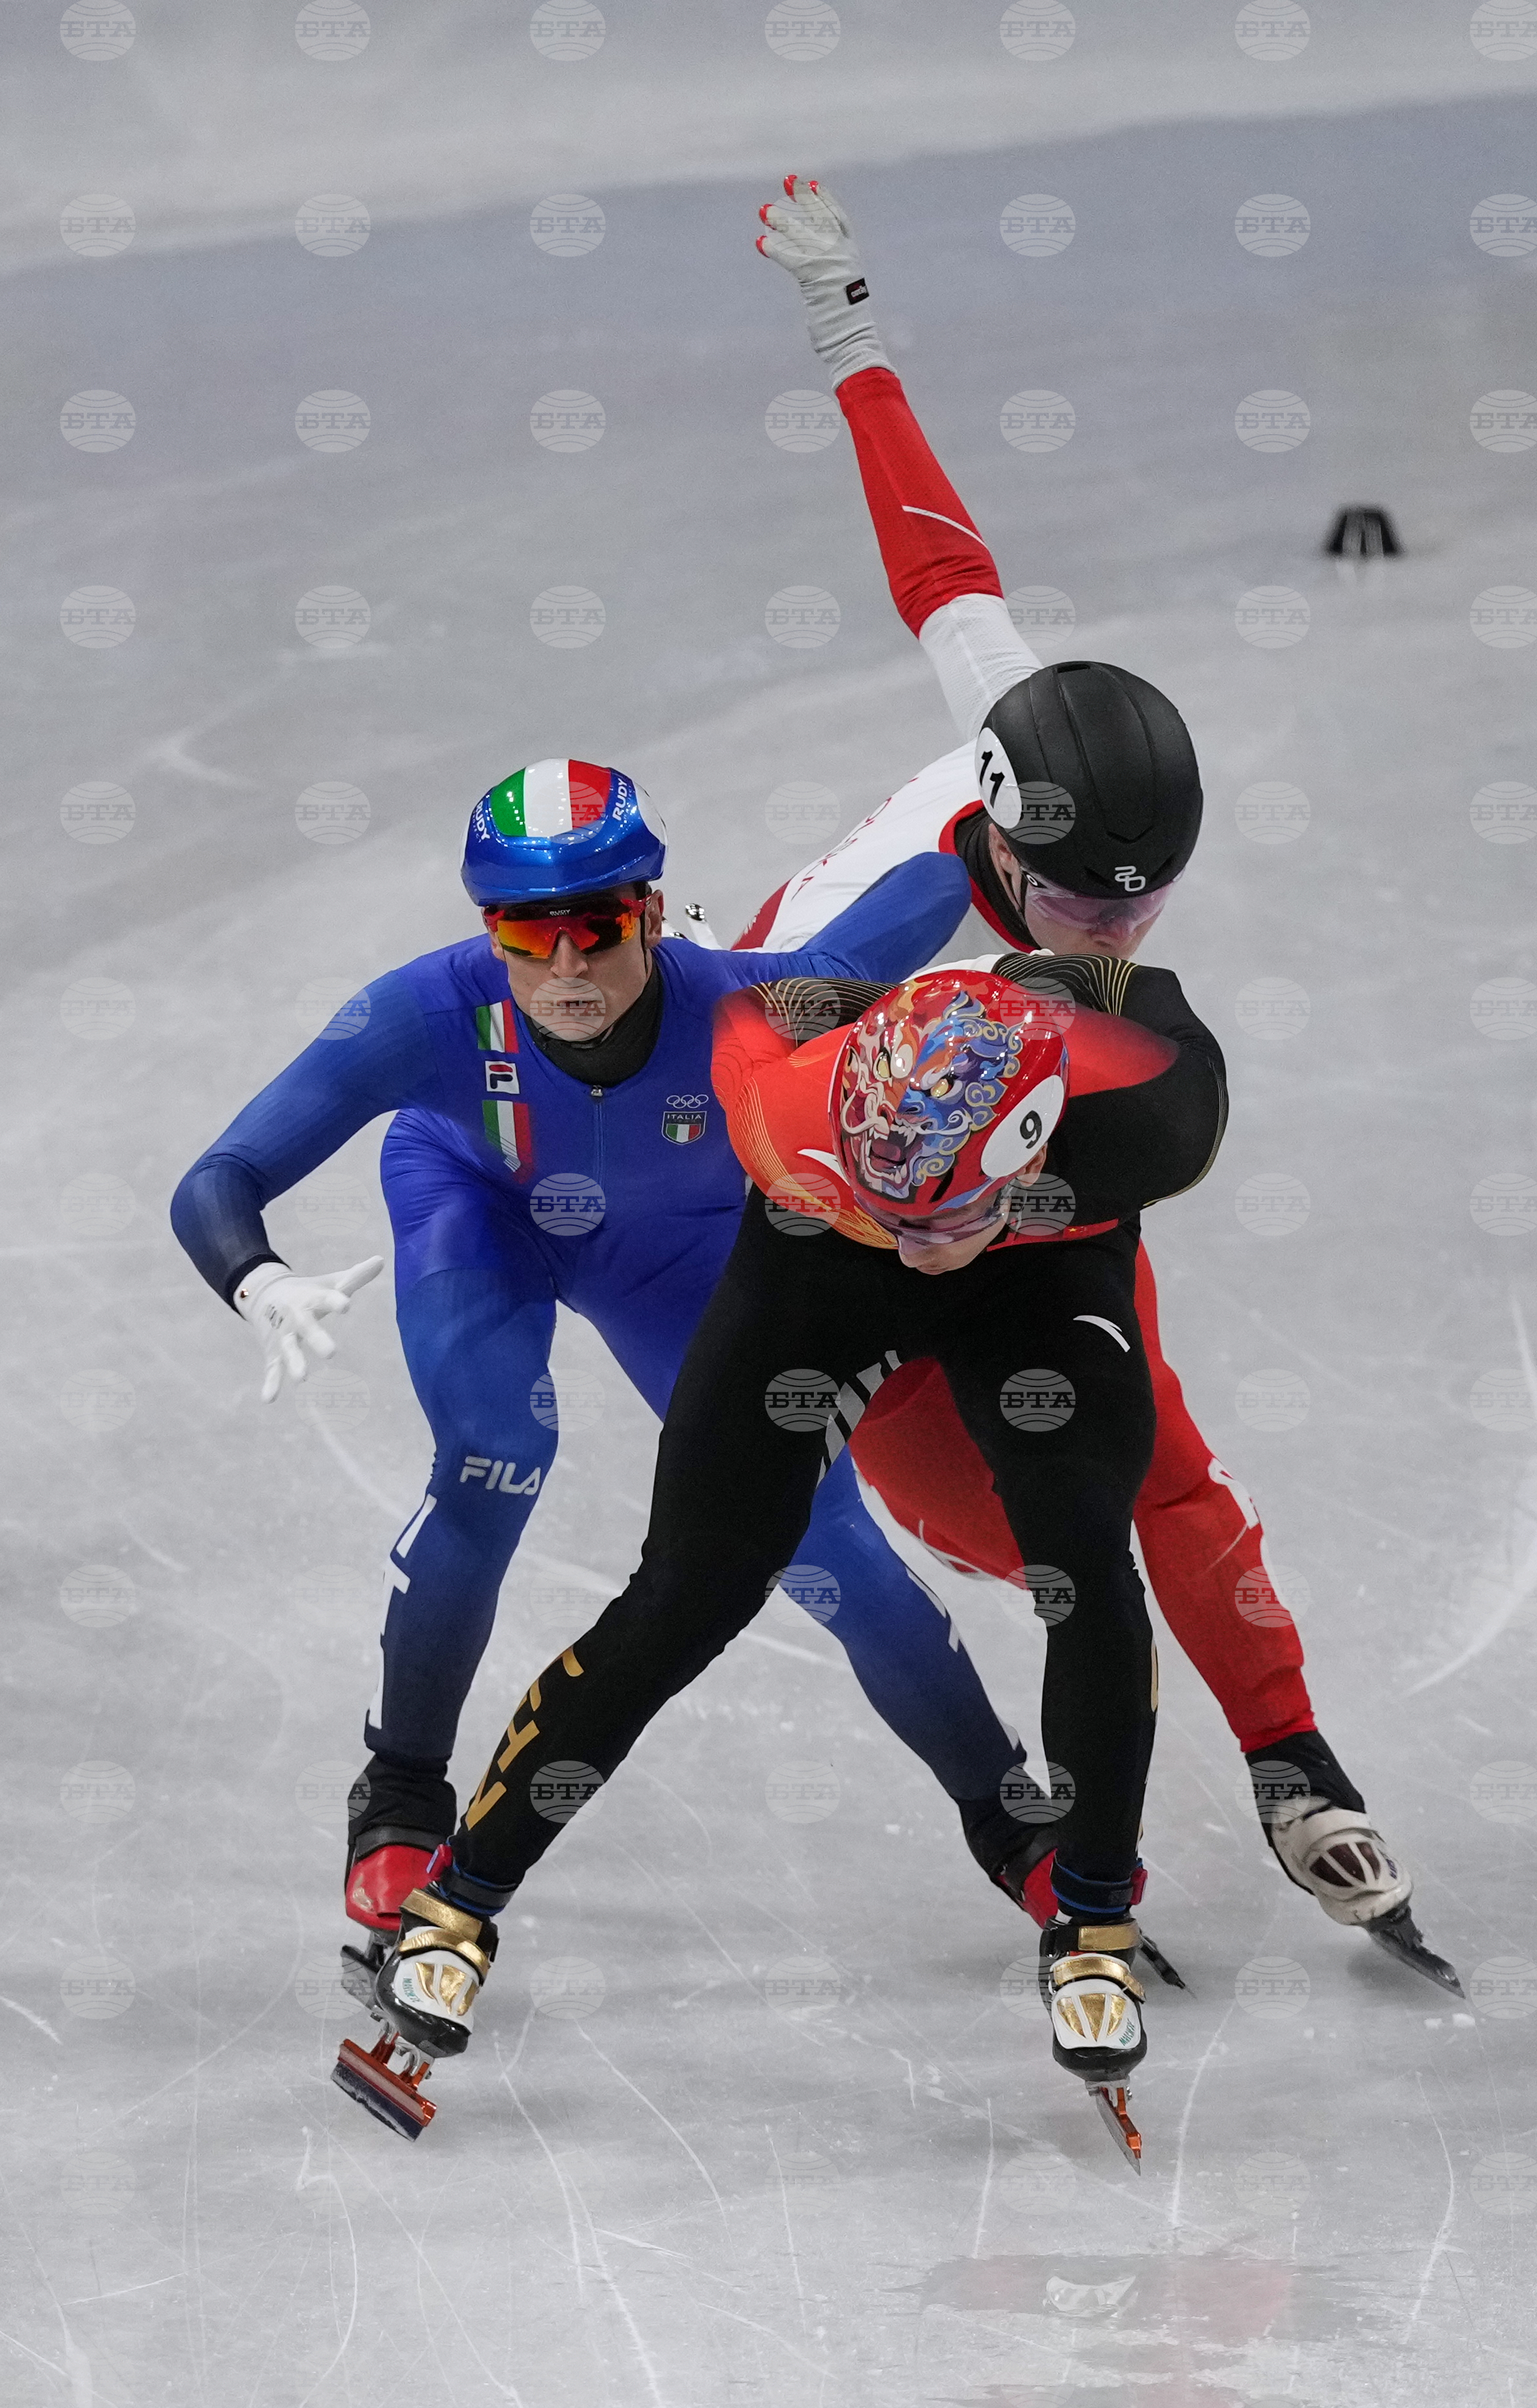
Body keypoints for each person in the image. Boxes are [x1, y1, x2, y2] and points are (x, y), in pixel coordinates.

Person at [742, 177, 1457, 1992]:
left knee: (1161, 1452)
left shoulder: (1040, 747)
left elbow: (937, 558)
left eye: (1142, 900)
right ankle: (1065, 1741)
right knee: (1006, 1520)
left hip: (1004, 1124)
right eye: (1077, 899)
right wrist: (848, 1203)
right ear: (993, 839)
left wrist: (845, 322)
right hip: (833, 1120)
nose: (1113, 929)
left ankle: (1294, 1759)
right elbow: (731, 1076)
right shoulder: (870, 945)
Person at [170, 755, 1056, 1995]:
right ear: (491, 930)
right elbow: (219, 1179)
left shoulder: (758, 1000)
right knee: (494, 1455)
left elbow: (906, 911)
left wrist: (1007, 822)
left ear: (650, 908)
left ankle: (1012, 1823)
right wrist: (256, 1276)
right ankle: (404, 1788)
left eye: (597, 925)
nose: (567, 964)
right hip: (477, 1209)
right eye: (530, 932)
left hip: (665, 1256)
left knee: (820, 1537)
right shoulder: (424, 1014)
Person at [345, 952, 1228, 2163]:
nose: (918, 1245)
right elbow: (761, 994)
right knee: (692, 1585)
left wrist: (981, 1180)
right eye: (897, 1206)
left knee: (1080, 1555)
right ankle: (460, 1898)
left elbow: (1143, 990)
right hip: (822, 1238)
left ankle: (1094, 1922)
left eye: (940, 1215)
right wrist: (891, 1206)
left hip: (1040, 1266)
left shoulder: (1149, 1124)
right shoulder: (779, 1097)